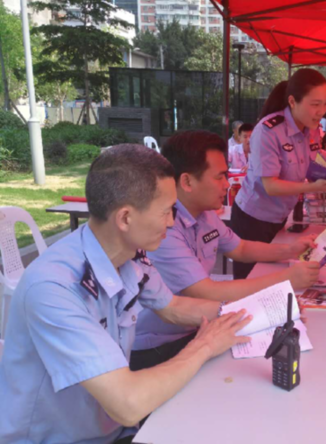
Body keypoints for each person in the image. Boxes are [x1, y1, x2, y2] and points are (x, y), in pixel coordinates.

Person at [0, 144, 252, 444]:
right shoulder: (54, 288)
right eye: (166, 211)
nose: (172, 222)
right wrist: (205, 345)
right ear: (125, 218)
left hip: (111, 427)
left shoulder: (128, 255)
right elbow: (127, 404)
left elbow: (173, 307)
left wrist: (253, 312)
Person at [131, 130, 321, 370]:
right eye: (220, 177)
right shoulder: (165, 229)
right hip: (160, 346)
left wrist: (290, 250)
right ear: (187, 182)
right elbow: (207, 292)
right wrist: (286, 280)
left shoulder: (205, 214)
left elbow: (240, 248)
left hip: (199, 327)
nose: (227, 184)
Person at [230, 69, 326, 280]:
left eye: (325, 104)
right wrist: (314, 187)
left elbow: (312, 160)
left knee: (274, 278)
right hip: (253, 219)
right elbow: (271, 186)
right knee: (250, 281)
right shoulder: (268, 130)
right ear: (292, 102)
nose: (321, 111)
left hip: (279, 216)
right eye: (315, 104)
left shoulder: (311, 128)